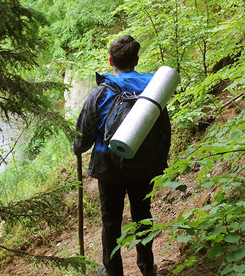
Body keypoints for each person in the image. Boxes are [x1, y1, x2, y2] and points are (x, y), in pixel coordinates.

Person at [73, 35, 171, 276]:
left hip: (109, 169)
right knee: (143, 216)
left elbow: (83, 135)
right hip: (145, 165)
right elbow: (163, 132)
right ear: (136, 60)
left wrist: (77, 147)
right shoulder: (153, 90)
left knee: (111, 221)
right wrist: (159, 163)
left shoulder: (100, 93)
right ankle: (147, 267)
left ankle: (113, 271)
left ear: (110, 61)